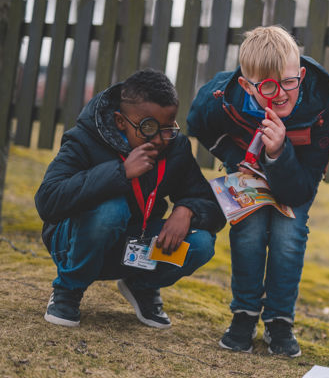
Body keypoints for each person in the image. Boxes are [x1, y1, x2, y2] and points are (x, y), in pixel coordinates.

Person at [35, 69, 225, 329]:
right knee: (111, 211)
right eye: (148, 128)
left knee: (201, 243)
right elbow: (48, 200)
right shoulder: (84, 139)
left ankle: (142, 285)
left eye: (169, 127)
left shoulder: (175, 147)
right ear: (120, 121)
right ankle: (68, 290)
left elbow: (211, 205)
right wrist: (120, 172)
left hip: (131, 247)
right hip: (72, 244)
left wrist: (187, 209)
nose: (160, 138)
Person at [187, 26, 329, 356]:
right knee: (248, 231)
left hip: (296, 176)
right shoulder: (221, 98)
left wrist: (277, 153)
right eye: (267, 86)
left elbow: (300, 191)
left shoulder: (320, 106)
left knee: (288, 235)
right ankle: (244, 314)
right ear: (245, 83)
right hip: (246, 172)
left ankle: (279, 321)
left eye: (289, 82)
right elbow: (197, 123)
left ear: (300, 74)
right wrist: (235, 157)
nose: (280, 93)